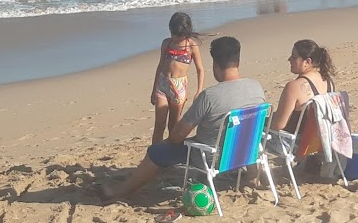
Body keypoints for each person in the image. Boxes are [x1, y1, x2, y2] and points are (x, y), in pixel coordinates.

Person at [106, 36, 266, 202]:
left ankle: (121, 191)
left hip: (213, 158)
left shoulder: (209, 96)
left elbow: (176, 136)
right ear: (237, 61)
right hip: (245, 152)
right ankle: (253, 175)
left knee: (156, 151)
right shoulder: (256, 87)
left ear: (215, 65)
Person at [150, 12, 203, 142]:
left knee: (173, 125)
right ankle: (154, 154)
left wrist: (199, 91)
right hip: (163, 84)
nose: (176, 38)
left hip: (179, 88)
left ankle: (169, 153)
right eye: (173, 34)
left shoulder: (191, 46)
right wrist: (154, 90)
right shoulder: (166, 44)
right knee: (159, 125)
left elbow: (200, 69)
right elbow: (160, 66)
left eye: (179, 35)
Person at [269, 39, 336, 136]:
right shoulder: (328, 82)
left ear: (307, 61)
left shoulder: (294, 86)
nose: (289, 59)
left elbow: (278, 125)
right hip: (320, 141)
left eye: (294, 57)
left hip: (296, 144)